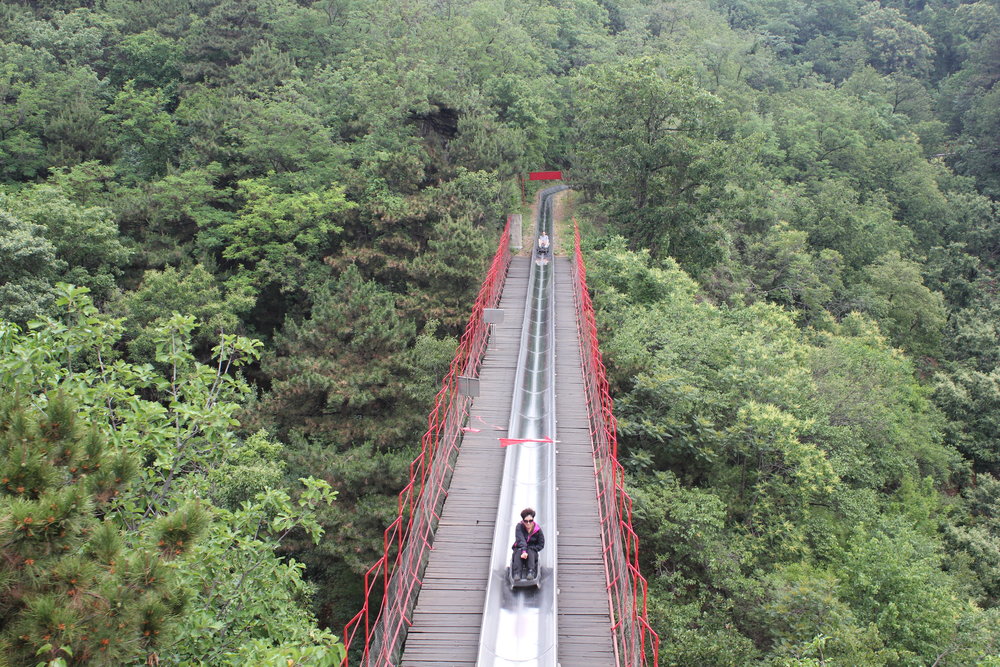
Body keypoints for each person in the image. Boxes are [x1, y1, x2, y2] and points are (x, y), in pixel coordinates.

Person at [511, 507, 544, 580]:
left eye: (530, 521)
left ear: (533, 520)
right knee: (518, 551)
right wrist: (523, 551)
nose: (528, 523)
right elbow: (520, 540)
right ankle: (517, 573)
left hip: (532, 551)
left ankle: (531, 571)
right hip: (520, 548)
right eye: (526, 521)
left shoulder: (537, 530)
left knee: (530, 551)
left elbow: (541, 544)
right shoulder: (519, 526)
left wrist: (532, 548)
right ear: (523, 521)